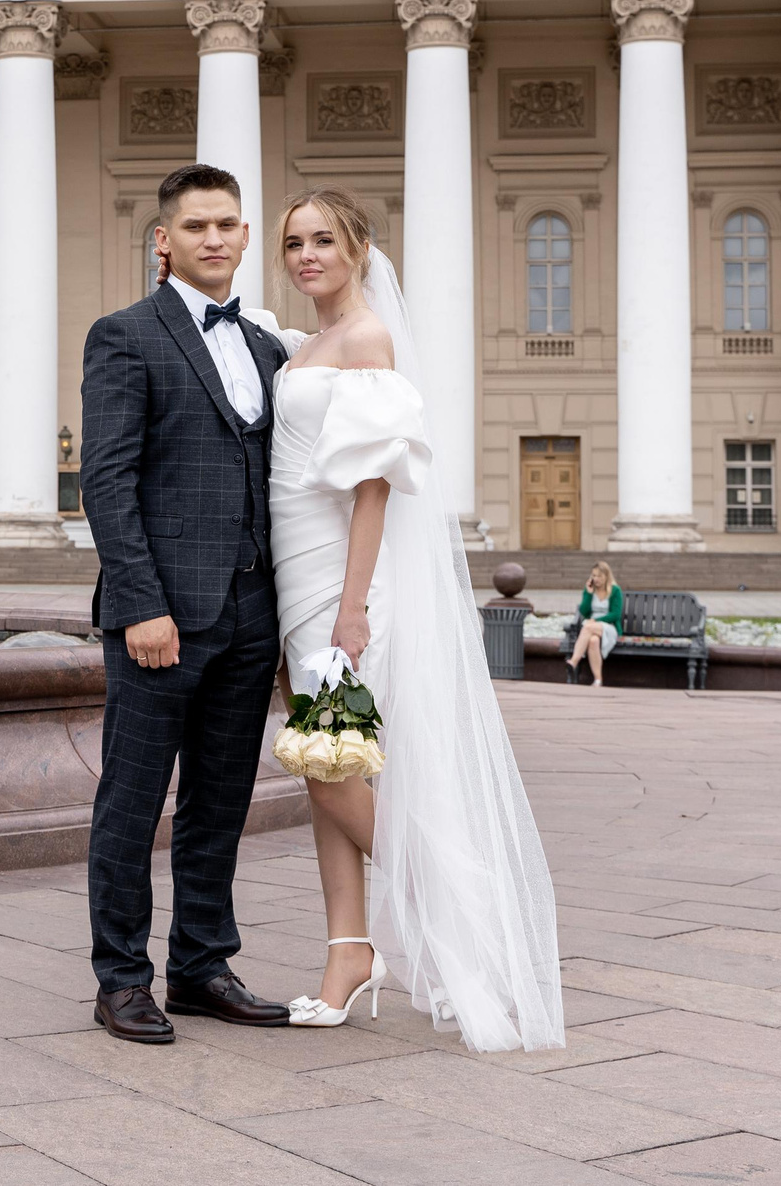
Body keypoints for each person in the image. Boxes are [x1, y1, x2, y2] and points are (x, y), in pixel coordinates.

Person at [265, 188, 563, 1051]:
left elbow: (372, 487)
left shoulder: (364, 339)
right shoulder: (306, 345)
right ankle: (348, 953)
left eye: (324, 239)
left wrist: (353, 605)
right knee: (329, 765)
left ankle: (461, 905)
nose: (307, 254)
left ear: (360, 248)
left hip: (336, 585)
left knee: (330, 769)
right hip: (294, 581)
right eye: (294, 242)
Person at [78, 163, 294, 1047]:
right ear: (163, 240)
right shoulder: (125, 335)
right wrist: (140, 604)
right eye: (196, 225)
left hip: (250, 613)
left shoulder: (271, 350)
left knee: (221, 799)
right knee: (132, 800)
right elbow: (107, 478)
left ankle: (202, 962)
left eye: (228, 224)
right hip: (160, 617)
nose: (214, 237)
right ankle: (121, 976)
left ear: (246, 239)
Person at [570, 563, 622, 688]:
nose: (596, 579)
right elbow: (583, 611)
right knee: (593, 641)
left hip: (609, 626)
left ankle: (574, 661)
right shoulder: (590, 589)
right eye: (594, 575)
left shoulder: (615, 591)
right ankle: (598, 680)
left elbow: (615, 614)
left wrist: (596, 620)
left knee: (587, 626)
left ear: (606, 576)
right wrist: (588, 593)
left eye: (599, 576)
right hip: (592, 627)